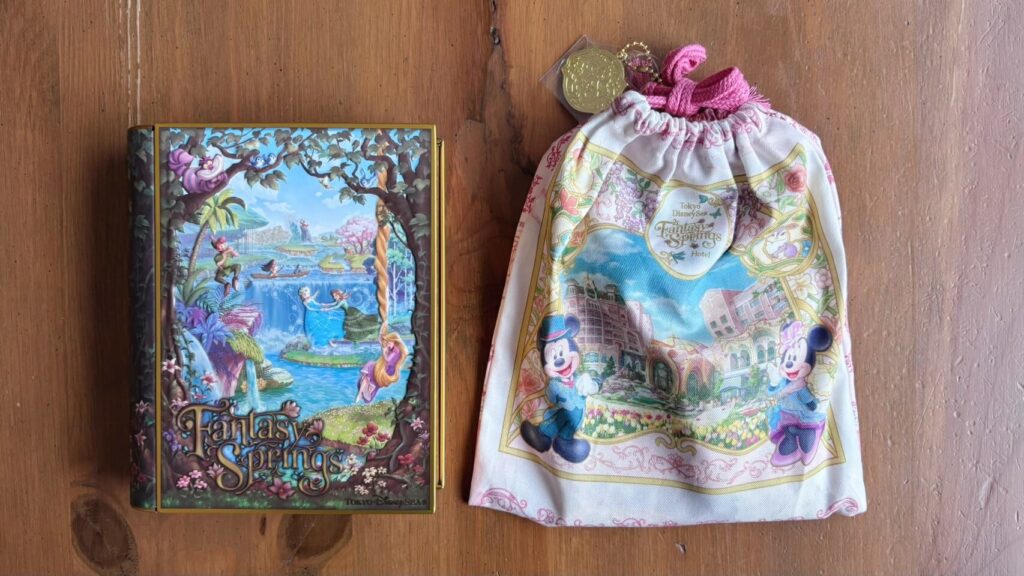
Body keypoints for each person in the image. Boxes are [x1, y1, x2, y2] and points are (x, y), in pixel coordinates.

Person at [355, 326, 408, 403]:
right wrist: (383, 325)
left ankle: (362, 393)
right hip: (385, 368)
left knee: (370, 366)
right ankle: (361, 393)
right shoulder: (392, 348)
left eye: (389, 343)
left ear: (394, 341)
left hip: (388, 371)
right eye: (387, 343)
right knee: (368, 374)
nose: (388, 345)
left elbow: (387, 360)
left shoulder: (396, 351)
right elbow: (381, 339)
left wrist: (384, 352)